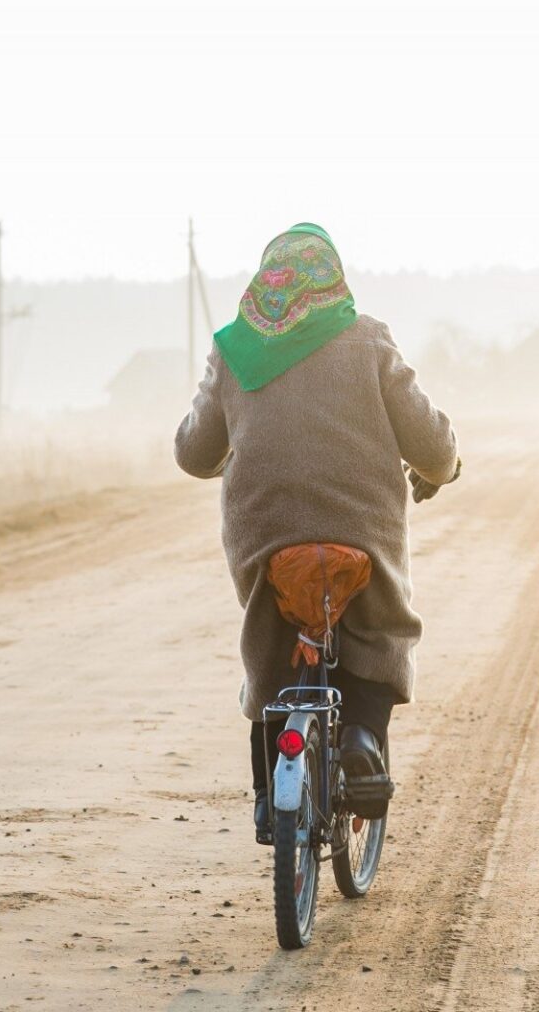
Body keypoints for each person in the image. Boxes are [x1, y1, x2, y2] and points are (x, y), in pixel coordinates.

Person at [173, 222, 460, 843]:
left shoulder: (233, 350)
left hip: (267, 542)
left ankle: (266, 800)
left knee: (270, 655)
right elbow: (433, 449)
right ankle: (360, 737)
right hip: (363, 538)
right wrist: (443, 467)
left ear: (266, 281)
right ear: (333, 279)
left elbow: (195, 454)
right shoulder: (368, 339)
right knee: (379, 632)